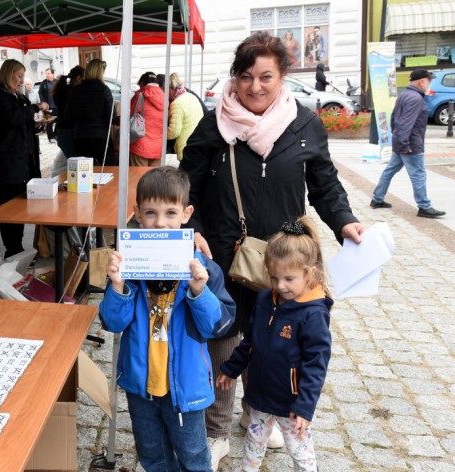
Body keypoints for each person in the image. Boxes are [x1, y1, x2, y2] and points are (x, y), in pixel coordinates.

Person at [179, 32, 364, 470]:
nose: (255, 87)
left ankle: (257, 414)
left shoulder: (304, 124)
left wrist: (345, 222)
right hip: (224, 249)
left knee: (274, 339)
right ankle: (216, 430)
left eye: (266, 76)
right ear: (234, 78)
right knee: (223, 336)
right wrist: (193, 228)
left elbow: (325, 184)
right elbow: (187, 183)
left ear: (282, 77)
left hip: (284, 256)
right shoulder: (214, 123)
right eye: (246, 77)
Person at [99, 166, 236, 472]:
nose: (160, 222)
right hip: (140, 386)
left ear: (186, 214)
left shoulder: (203, 269)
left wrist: (199, 293)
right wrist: (118, 287)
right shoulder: (131, 266)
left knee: (193, 456)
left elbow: (216, 327)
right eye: (150, 213)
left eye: (170, 213)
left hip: (185, 388)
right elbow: (112, 323)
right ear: (137, 213)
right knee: (152, 455)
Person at [217, 216, 331, 472]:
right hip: (259, 395)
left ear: (310, 273)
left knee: (300, 452)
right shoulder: (267, 299)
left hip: (291, 403)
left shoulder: (314, 314)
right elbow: (251, 341)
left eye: (289, 279)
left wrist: (304, 406)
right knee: (254, 443)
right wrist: (231, 368)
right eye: (274, 277)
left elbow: (316, 365)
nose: (280, 286)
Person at [0, 59, 44, 256]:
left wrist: (35, 121)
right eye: (18, 76)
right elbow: (14, 118)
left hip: (21, 160)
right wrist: (33, 110)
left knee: (19, 206)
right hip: (7, 162)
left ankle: (17, 247)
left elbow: (22, 120)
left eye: (22, 76)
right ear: (8, 74)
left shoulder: (14, 96)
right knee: (10, 207)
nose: (21, 80)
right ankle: (13, 248)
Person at [370, 69, 445, 218]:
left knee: (390, 170)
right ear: (421, 81)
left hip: (401, 141)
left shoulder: (404, 95)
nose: (429, 84)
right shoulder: (415, 98)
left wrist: (398, 140)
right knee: (418, 174)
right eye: (429, 81)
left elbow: (393, 119)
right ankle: (424, 206)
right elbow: (405, 123)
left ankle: (377, 199)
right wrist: (404, 145)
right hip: (410, 144)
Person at [65, 59, 115, 166]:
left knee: (84, 173)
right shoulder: (104, 90)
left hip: (80, 137)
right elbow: (111, 117)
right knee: (109, 170)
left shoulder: (75, 90)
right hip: (100, 137)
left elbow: (68, 117)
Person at [128, 71, 165, 166]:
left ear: (143, 83)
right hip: (158, 147)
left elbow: (130, 117)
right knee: (154, 179)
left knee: (138, 178)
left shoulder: (139, 96)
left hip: (139, 145)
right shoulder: (165, 97)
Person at [166, 72, 203, 161]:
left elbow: (174, 132)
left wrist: (161, 135)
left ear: (171, 89)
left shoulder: (176, 104)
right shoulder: (192, 97)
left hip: (185, 148)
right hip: (198, 143)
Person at [51, 65, 84, 161]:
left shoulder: (62, 89)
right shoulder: (73, 93)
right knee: (77, 163)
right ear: (78, 78)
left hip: (62, 131)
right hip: (69, 131)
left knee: (73, 162)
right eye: (84, 80)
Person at [38, 67, 57, 142]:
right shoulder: (44, 83)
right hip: (47, 106)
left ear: (52, 74)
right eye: (46, 74)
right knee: (49, 122)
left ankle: (55, 134)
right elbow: (40, 92)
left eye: (48, 73)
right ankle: (50, 137)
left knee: (59, 121)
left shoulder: (57, 82)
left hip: (56, 106)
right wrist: (43, 102)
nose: (47, 75)